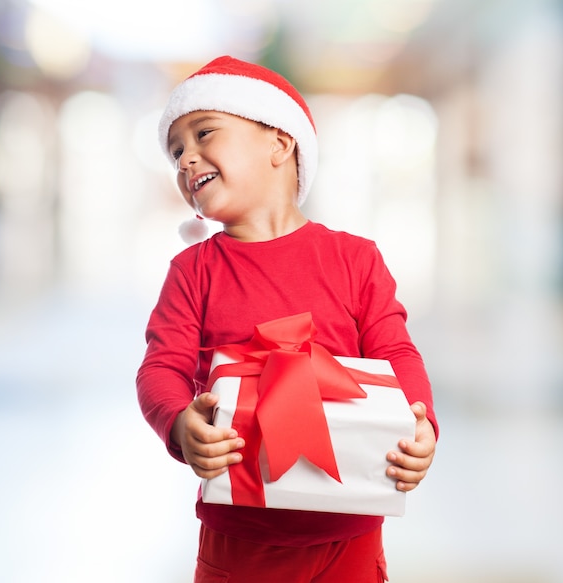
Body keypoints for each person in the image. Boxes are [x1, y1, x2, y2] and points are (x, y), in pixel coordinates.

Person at [137, 55, 438, 583]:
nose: (187, 159)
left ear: (280, 144)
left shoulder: (354, 259)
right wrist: (180, 424)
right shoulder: (193, 271)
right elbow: (160, 367)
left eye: (205, 133)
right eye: (176, 150)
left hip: (350, 533)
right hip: (238, 540)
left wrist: (419, 423)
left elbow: (396, 352)